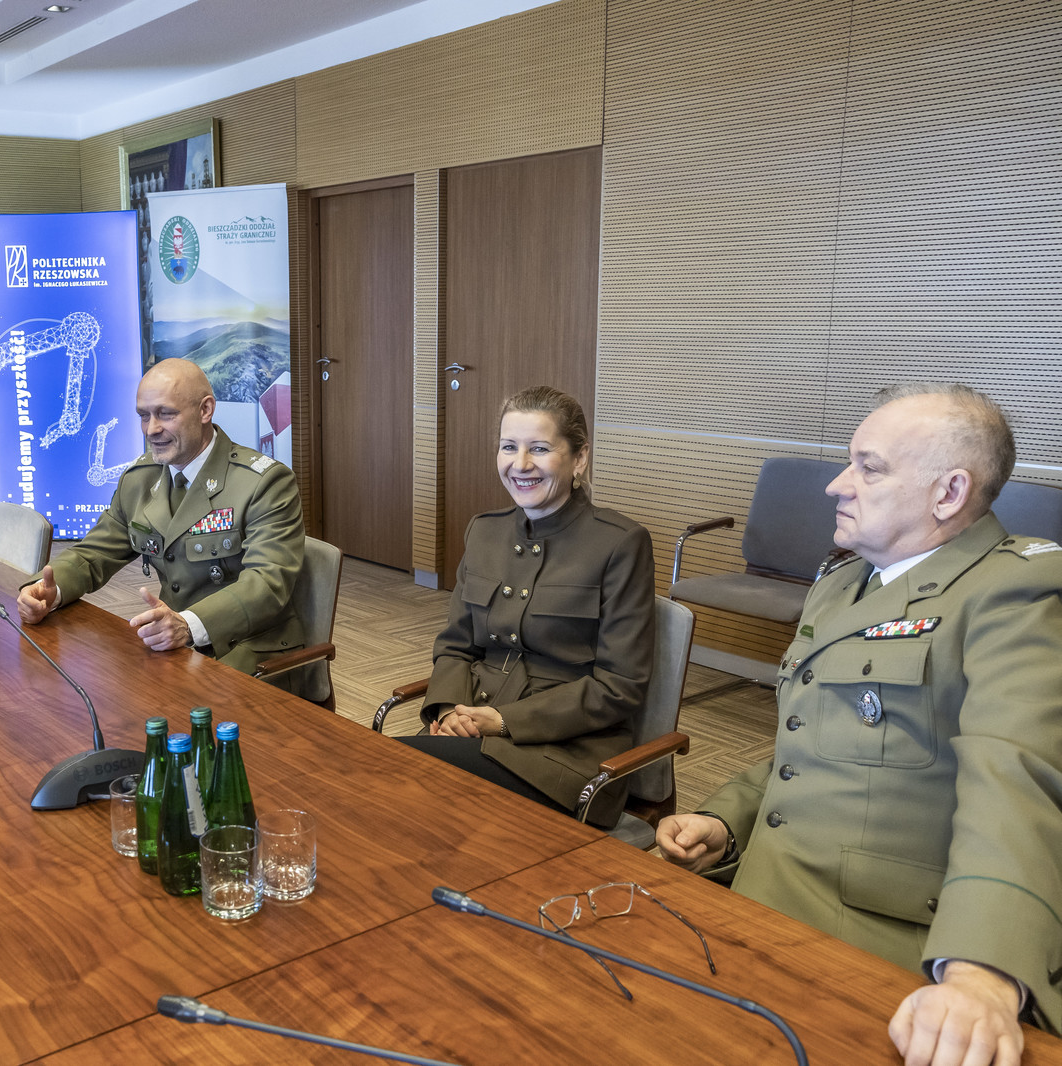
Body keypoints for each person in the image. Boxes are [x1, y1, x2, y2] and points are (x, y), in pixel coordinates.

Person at [656, 384, 1062, 1066]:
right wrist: (727, 820)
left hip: (871, 934)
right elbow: (814, 744)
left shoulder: (1017, 591)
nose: (837, 485)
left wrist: (981, 975)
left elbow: (1017, 783)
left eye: (868, 468)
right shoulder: (845, 583)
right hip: (760, 882)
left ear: (948, 492)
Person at [397, 386, 655, 826]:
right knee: (381, 784)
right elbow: (456, 645)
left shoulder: (619, 543)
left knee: (393, 777)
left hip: (563, 756)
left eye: (539, 448)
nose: (520, 464)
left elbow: (619, 687)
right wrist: (447, 709)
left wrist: (501, 720)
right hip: (468, 729)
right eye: (508, 447)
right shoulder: (484, 531)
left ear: (579, 458)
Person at [17, 358, 307, 687]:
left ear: (205, 410)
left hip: (251, 651)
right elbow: (93, 553)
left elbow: (268, 583)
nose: (151, 429)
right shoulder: (140, 479)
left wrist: (188, 625)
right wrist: (49, 591)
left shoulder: (263, 483)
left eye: (165, 414)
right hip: (173, 647)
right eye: (144, 415)